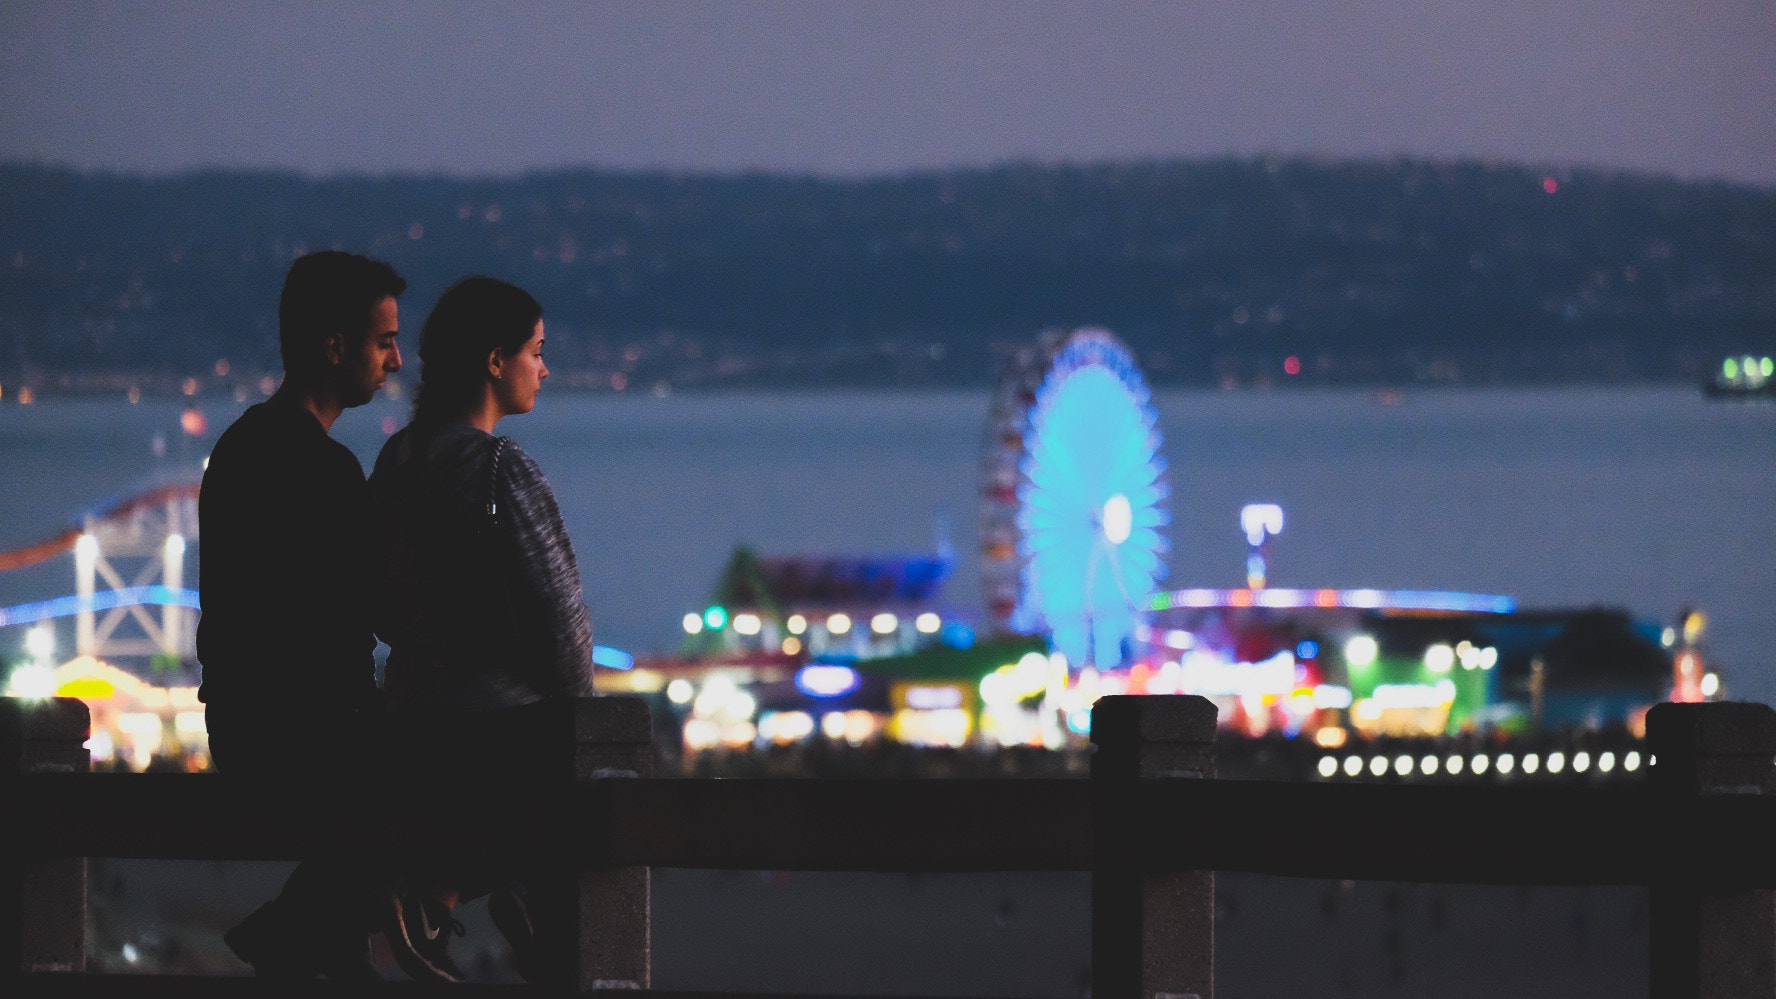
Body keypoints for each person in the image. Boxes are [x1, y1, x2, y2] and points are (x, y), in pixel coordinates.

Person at [368, 275, 597, 984]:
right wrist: (582, 708)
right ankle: (491, 902)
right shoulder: (500, 467)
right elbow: (562, 621)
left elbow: (378, 605)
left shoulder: (397, 461)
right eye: (536, 349)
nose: (545, 367)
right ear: (494, 360)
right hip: (499, 729)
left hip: (411, 724)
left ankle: (450, 903)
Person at [195, 250, 405, 979]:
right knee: (461, 777)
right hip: (313, 737)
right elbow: (383, 609)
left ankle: (315, 945)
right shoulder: (327, 471)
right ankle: (286, 934)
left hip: (239, 727)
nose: (398, 359)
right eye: (384, 341)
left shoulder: (235, 450)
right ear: (334, 345)